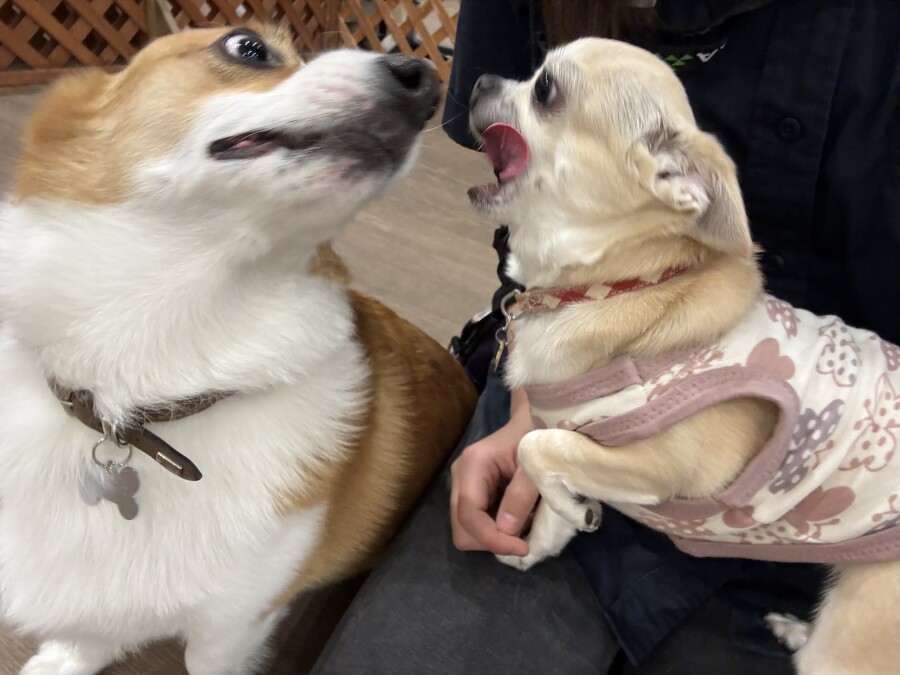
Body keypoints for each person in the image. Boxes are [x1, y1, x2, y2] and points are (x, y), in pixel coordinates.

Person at [311, 1, 900, 673]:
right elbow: (529, 209)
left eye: (548, 92)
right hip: (575, 398)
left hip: (836, 513)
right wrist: (536, 406)